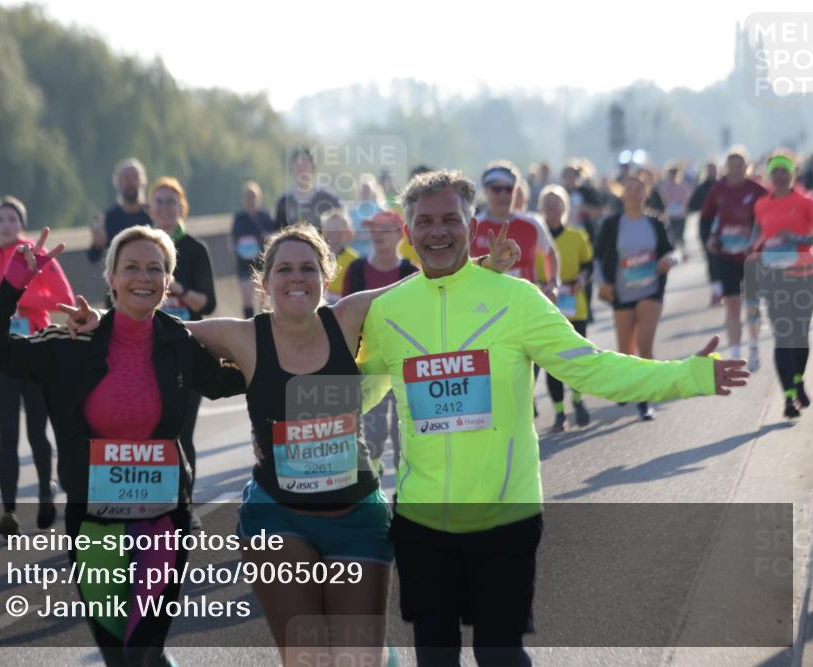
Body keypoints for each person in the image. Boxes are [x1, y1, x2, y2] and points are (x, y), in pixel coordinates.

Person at [63, 221, 521, 667]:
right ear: (265, 281)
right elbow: (149, 329)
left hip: (356, 516)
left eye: (308, 268)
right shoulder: (243, 337)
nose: (296, 278)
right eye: (284, 269)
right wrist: (99, 319)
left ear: (326, 276)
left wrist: (486, 264)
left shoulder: (348, 317)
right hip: (277, 517)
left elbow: (423, 284)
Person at [356, 169, 748, 667]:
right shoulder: (388, 312)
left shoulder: (517, 300)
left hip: (505, 517)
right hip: (421, 523)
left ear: (472, 227)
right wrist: (276, 402)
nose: (437, 231)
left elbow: (593, 369)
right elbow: (359, 391)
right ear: (408, 233)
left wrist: (688, 376)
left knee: (500, 655)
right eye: (425, 221)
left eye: (450, 220)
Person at [0, 225, 244, 666]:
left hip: (162, 521)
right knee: (123, 657)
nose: (143, 276)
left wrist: (299, 342)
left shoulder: (178, 344)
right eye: (131, 266)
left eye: (155, 268)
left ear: (167, 281)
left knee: (140, 651)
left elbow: (237, 377)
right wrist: (11, 285)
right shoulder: (72, 343)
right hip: (94, 523)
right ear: (112, 278)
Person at [0, 196, 74, 536]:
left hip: (34, 351)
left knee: (37, 431)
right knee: (7, 433)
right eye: (0, 219)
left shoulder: (35, 253)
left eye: (12, 219)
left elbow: (65, 301)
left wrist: (18, 295)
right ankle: (9, 510)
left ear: (21, 224)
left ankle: (45, 492)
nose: (6, 224)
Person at [148, 177, 217, 529]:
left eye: (171, 202)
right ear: (149, 208)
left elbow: (208, 302)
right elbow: (115, 299)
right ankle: (154, 504)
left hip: (188, 351)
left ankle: (185, 505)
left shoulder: (194, 249)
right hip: (146, 353)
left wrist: (177, 290)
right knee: (153, 433)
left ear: (182, 208)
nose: (164, 207)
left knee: (182, 433)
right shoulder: (138, 248)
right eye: (158, 201)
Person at [595, 174, 679, 421]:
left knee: (645, 345)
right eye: (629, 189)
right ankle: (626, 386)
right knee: (624, 350)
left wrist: (668, 260)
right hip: (622, 293)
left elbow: (673, 251)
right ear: (622, 194)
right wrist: (603, 284)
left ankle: (645, 399)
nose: (633, 194)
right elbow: (598, 258)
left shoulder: (655, 223)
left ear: (645, 194)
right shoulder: (612, 225)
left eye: (638, 189)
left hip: (650, 291)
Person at [342, 210, 418, 474]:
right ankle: (373, 490)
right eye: (373, 229)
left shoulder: (412, 272)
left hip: (404, 367)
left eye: (383, 229)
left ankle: (404, 496)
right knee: (372, 436)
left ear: (400, 235)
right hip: (369, 367)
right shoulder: (356, 270)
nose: (376, 235)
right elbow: (346, 318)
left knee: (406, 436)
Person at [751, 151, 813, 418]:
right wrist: (754, 248)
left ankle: (798, 380)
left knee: (799, 335)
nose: (779, 176)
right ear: (769, 175)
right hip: (774, 277)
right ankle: (788, 397)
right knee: (782, 336)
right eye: (775, 171)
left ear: (792, 174)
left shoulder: (804, 202)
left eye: (784, 171)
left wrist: (797, 237)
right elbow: (758, 233)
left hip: (803, 276)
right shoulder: (761, 205)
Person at [535, 185, 594, 431]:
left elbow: (588, 264)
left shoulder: (577, 235)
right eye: (547, 203)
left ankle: (578, 400)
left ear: (565, 207)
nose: (552, 208)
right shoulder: (535, 237)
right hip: (545, 302)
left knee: (577, 357)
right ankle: (559, 412)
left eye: (557, 203)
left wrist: (582, 278)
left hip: (574, 302)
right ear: (541, 208)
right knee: (553, 361)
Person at [702, 149, 768, 369]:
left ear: (746, 167)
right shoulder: (717, 190)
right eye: (732, 165)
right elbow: (707, 218)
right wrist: (709, 241)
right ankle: (736, 352)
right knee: (732, 305)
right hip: (725, 255)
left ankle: (754, 346)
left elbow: (768, 220)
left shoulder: (756, 190)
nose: (736, 170)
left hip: (751, 257)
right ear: (726, 168)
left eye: (741, 165)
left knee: (752, 305)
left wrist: (759, 243)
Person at [470, 162, 559, 300]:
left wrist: (552, 283)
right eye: (496, 189)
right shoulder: (474, 225)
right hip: (484, 306)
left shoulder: (532, 224)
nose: (503, 195)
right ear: (486, 191)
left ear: (516, 190)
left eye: (508, 189)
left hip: (525, 305)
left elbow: (550, 254)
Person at [87, 158, 154, 265]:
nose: (130, 182)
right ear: (117, 182)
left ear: (143, 181)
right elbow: (92, 257)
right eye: (126, 178)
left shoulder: (154, 214)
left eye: (134, 177)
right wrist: (97, 244)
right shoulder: (108, 218)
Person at [230, 181, 276, 318]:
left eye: (253, 197)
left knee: (264, 299)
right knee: (246, 298)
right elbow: (232, 238)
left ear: (259, 198)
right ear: (243, 200)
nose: (251, 200)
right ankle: (249, 325)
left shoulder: (265, 217)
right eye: (248, 197)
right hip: (244, 262)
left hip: (262, 262)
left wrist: (266, 237)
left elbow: (275, 236)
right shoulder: (239, 218)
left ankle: (264, 327)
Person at [274, 147, 341, 230]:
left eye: (305, 166)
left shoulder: (328, 199)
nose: (302, 170)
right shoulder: (283, 202)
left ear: (313, 168)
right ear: (291, 170)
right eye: (298, 166)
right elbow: (278, 232)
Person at [689, 161, 720, 305]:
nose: (712, 172)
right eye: (709, 169)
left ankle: (731, 289)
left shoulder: (723, 186)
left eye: (714, 169)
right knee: (711, 258)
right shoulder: (701, 188)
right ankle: (716, 290)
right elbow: (692, 206)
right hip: (707, 225)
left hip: (724, 226)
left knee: (726, 258)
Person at [321, 208, 360, 304]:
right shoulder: (315, 256)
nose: (334, 233)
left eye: (338, 229)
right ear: (324, 231)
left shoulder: (354, 259)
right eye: (330, 228)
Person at [652, 162, 691, 255]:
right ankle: (673, 252)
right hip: (670, 215)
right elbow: (663, 200)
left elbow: (685, 199)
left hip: (680, 215)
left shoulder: (682, 187)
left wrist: (680, 205)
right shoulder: (664, 187)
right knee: (672, 235)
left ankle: (683, 252)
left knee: (680, 234)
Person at [349, 174, 386, 257]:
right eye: (362, 190)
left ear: (372, 191)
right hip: (355, 252)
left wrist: (371, 234)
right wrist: (355, 235)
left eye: (367, 190)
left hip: (375, 253)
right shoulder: (351, 212)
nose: (364, 192)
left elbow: (387, 231)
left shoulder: (381, 211)